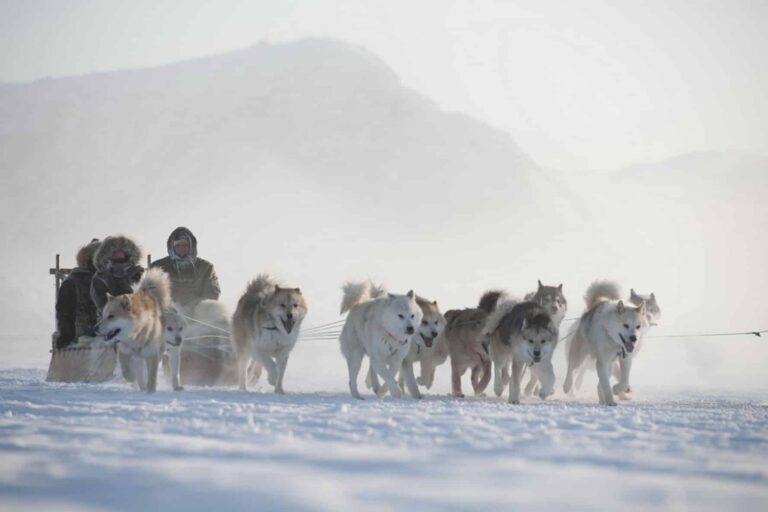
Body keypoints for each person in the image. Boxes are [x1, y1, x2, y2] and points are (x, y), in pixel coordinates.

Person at [150, 227, 220, 310]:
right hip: (167, 314)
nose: (182, 249)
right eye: (178, 245)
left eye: (185, 245)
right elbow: (149, 292)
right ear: (172, 247)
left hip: (198, 315)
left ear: (191, 246)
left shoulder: (206, 267)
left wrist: (193, 306)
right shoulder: (158, 267)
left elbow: (212, 293)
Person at [54, 239, 101, 348]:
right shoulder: (74, 282)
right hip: (81, 343)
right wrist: (66, 336)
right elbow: (65, 313)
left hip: (108, 341)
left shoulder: (113, 281)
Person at [90, 235, 144, 316]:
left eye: (122, 250)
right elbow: (104, 307)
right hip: (112, 321)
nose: (119, 253)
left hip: (139, 320)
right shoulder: (101, 278)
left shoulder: (136, 273)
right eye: (114, 251)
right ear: (107, 255)